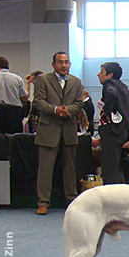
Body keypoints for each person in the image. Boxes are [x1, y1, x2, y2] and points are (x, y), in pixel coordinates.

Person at [33, 52, 84, 215]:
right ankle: (43, 203)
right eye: (60, 62)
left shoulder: (76, 81)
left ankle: (72, 201)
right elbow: (38, 102)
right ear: (53, 64)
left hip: (69, 129)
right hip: (48, 129)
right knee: (45, 169)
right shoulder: (43, 79)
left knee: (70, 168)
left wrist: (68, 111)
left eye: (66, 62)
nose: (64, 65)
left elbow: (79, 103)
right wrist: (55, 110)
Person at [95, 61, 129, 185]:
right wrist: (125, 113)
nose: (98, 75)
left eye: (102, 72)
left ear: (109, 75)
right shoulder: (122, 86)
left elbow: (111, 94)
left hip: (111, 131)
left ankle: (112, 196)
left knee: (109, 167)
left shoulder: (109, 83)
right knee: (115, 164)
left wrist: (108, 113)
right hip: (121, 131)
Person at [0, 56, 29, 134]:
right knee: (15, 139)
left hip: (0, 113)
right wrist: (28, 84)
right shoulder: (17, 78)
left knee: (0, 140)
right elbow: (24, 99)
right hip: (15, 113)